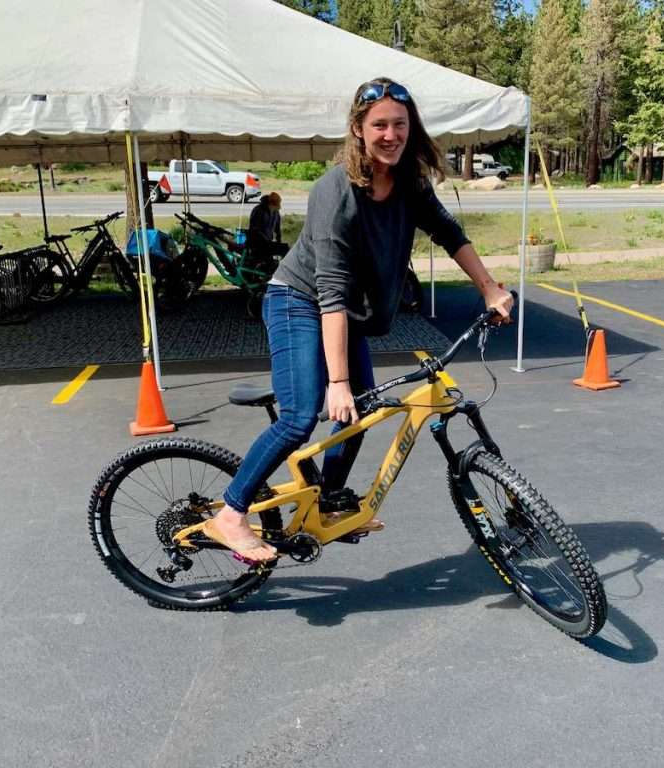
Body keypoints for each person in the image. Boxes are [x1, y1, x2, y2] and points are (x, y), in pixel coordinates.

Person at [203, 77, 513, 561]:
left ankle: (325, 502)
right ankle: (231, 514)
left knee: (361, 412)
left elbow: (449, 233)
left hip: (341, 311)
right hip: (298, 301)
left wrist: (490, 288)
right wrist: (339, 381)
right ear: (358, 129)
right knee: (304, 415)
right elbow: (329, 290)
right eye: (380, 125)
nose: (391, 134)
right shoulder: (336, 191)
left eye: (400, 124)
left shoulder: (409, 183)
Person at [247, 191, 289, 265]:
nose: (278, 207)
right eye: (277, 205)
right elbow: (255, 230)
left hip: (267, 243)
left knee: (285, 248)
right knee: (269, 261)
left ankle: (283, 267)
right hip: (257, 244)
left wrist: (278, 242)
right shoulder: (258, 210)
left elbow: (277, 230)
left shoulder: (276, 213)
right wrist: (266, 240)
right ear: (271, 204)